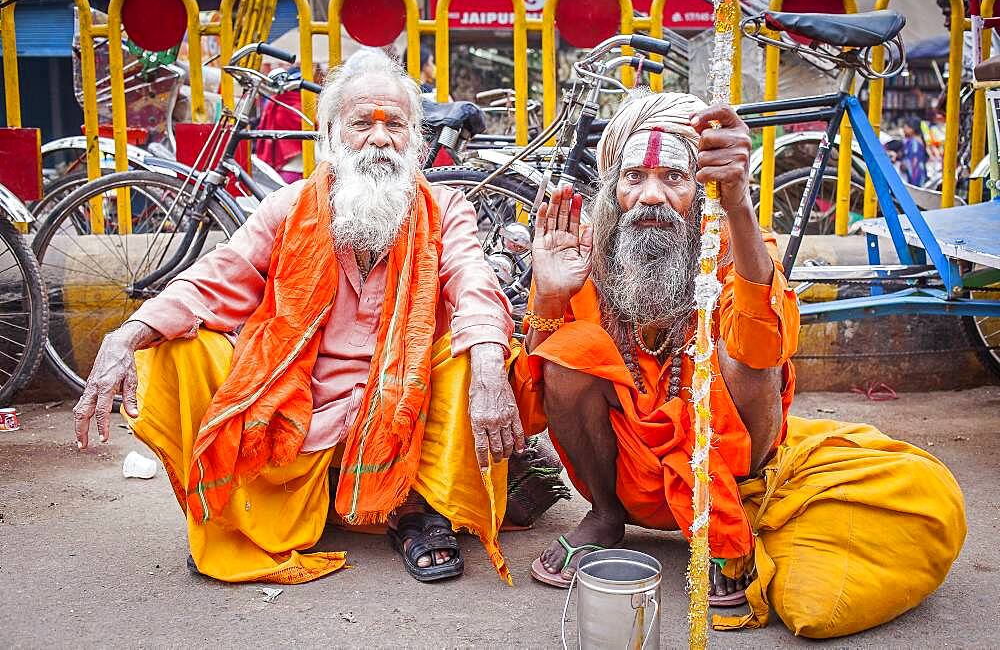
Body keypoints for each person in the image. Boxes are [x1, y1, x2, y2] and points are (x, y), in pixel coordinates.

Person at [72, 49, 524, 585]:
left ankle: (416, 506)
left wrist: (491, 367)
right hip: (305, 408)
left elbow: (474, 281)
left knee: (482, 351)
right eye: (362, 123)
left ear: (414, 139)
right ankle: (249, 508)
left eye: (394, 125)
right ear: (331, 134)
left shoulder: (444, 208)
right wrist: (128, 333)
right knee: (180, 346)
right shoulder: (287, 208)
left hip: (406, 403)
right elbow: (220, 275)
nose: (380, 138)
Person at [514, 91, 798, 604]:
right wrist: (551, 297)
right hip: (619, 473)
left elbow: (766, 344)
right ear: (612, 188)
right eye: (634, 178)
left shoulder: (736, 238)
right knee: (566, 351)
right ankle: (603, 516)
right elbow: (531, 411)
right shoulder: (582, 251)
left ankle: (721, 517)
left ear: (701, 188)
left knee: (746, 352)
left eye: (673, 177)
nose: (650, 196)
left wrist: (738, 203)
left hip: (727, 459)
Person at [901, 116, 929, 186]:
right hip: (920, 173)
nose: (903, 130)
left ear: (912, 129)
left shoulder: (913, 142)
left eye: (905, 128)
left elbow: (913, 161)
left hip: (915, 176)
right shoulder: (919, 140)